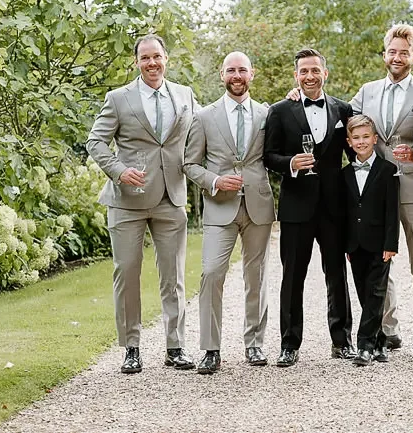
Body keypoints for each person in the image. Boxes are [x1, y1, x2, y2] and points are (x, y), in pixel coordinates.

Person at [85, 34, 197, 374]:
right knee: (127, 273)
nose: (152, 63)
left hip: (171, 197)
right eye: (145, 58)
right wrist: (119, 172)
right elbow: (95, 141)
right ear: (137, 62)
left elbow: (209, 124)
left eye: (157, 57)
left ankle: (175, 347)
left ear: (167, 59)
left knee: (173, 276)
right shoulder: (118, 99)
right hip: (127, 201)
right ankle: (131, 348)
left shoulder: (184, 95)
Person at [349, 24, 413, 357]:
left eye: (404, 52)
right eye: (392, 51)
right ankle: (388, 329)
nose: (397, 57)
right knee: (379, 261)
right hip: (375, 189)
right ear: (384, 54)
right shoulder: (367, 92)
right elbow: (341, 120)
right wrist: (296, 97)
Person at [263, 48, 357, 366]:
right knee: (293, 277)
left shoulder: (343, 110)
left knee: (337, 274)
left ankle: (342, 341)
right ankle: (289, 344)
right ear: (296, 76)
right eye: (303, 71)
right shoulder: (279, 111)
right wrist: (290, 162)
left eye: (315, 70)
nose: (309, 76)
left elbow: (357, 151)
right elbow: (268, 156)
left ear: (325, 73)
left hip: (334, 207)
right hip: (296, 207)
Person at [182, 52, 275, 373]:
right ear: (222, 75)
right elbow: (190, 164)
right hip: (219, 208)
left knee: (257, 277)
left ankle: (254, 344)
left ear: (252, 74)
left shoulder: (267, 114)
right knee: (211, 273)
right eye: (231, 70)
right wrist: (215, 180)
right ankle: (210, 348)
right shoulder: (204, 117)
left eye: (243, 70)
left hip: (258, 207)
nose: (237, 75)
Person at [341, 115, 401, 366]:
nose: (362, 141)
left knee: (376, 292)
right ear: (349, 141)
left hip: (379, 244)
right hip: (355, 244)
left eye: (366, 137)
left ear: (375, 139)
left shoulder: (388, 171)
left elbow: (392, 211)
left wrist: (391, 244)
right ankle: (379, 341)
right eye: (356, 138)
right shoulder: (344, 174)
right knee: (364, 292)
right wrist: (346, 244)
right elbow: (344, 212)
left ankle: (364, 345)